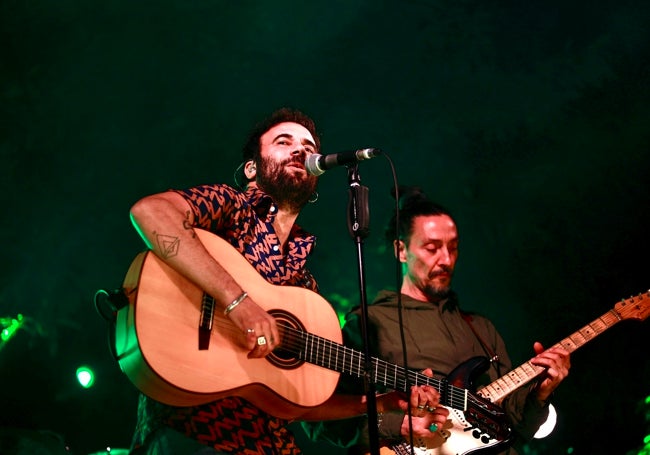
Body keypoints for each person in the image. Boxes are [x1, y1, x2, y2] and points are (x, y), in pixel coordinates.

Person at [126, 109, 444, 455]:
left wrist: (383, 401)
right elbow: (151, 212)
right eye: (283, 141)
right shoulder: (231, 206)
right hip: (195, 431)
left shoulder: (304, 285)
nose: (300, 150)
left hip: (270, 443)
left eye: (308, 147)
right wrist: (238, 303)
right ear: (252, 168)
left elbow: (298, 404)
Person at [303, 186, 571, 454]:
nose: (446, 259)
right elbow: (320, 419)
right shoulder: (369, 323)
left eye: (453, 248)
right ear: (401, 250)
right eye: (432, 248)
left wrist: (541, 393)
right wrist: (398, 425)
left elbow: (516, 424)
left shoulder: (480, 328)